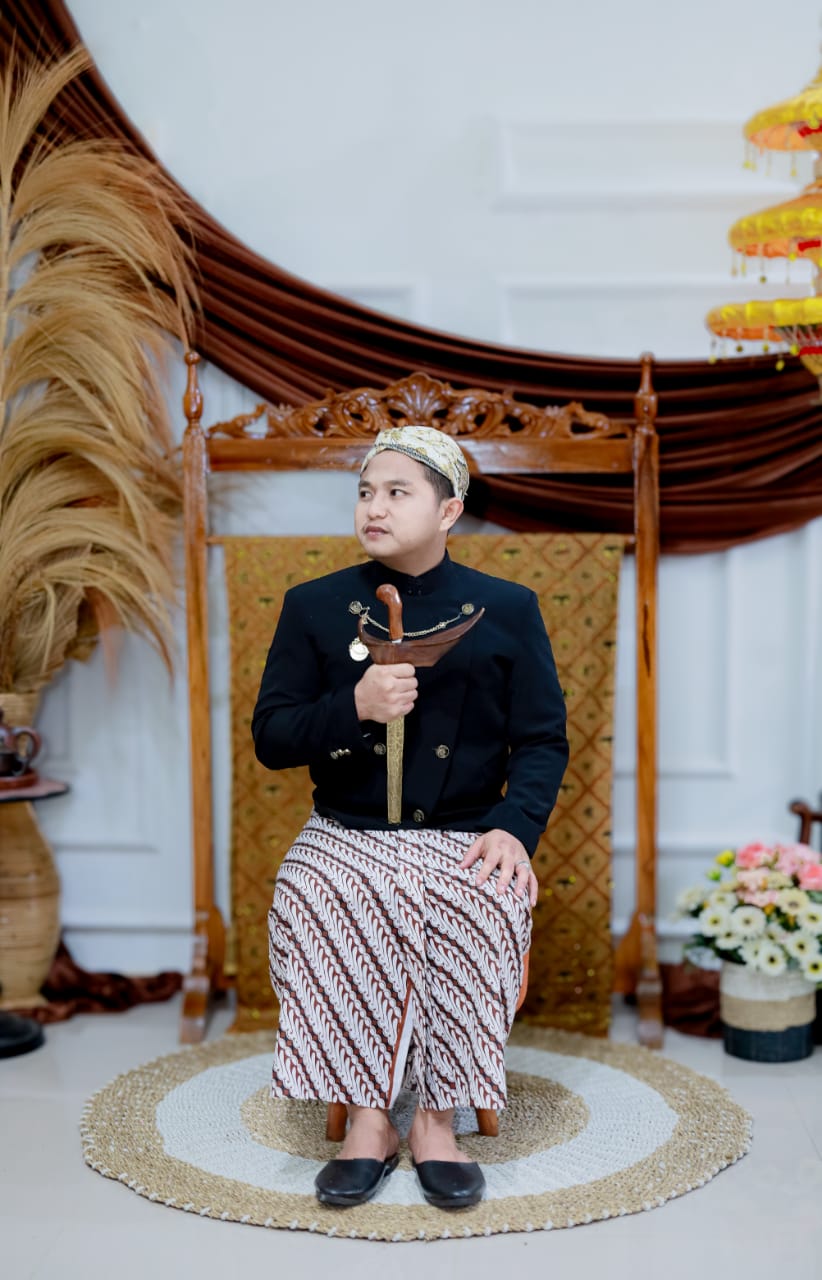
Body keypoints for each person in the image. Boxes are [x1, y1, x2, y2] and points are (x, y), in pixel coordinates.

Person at [252, 425, 569, 1210]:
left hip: (467, 830)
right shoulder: (313, 606)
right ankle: (369, 1121)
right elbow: (272, 738)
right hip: (346, 829)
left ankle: (435, 1121)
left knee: (481, 900)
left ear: (449, 509)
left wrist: (514, 828)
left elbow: (542, 741)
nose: (375, 507)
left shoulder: (508, 609)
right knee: (315, 895)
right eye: (366, 492)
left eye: (398, 492)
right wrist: (352, 706)